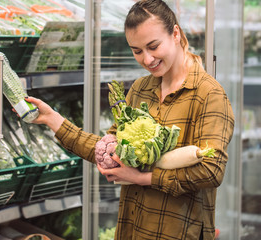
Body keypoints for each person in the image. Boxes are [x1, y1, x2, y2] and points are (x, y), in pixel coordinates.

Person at [24, 0, 235, 239]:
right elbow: (109, 149)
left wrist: (143, 178)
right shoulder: (140, 89)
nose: (147, 59)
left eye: (153, 46)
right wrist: (53, 119)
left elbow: (212, 170)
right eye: (137, 51)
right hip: (131, 229)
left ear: (175, 34)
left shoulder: (208, 94)